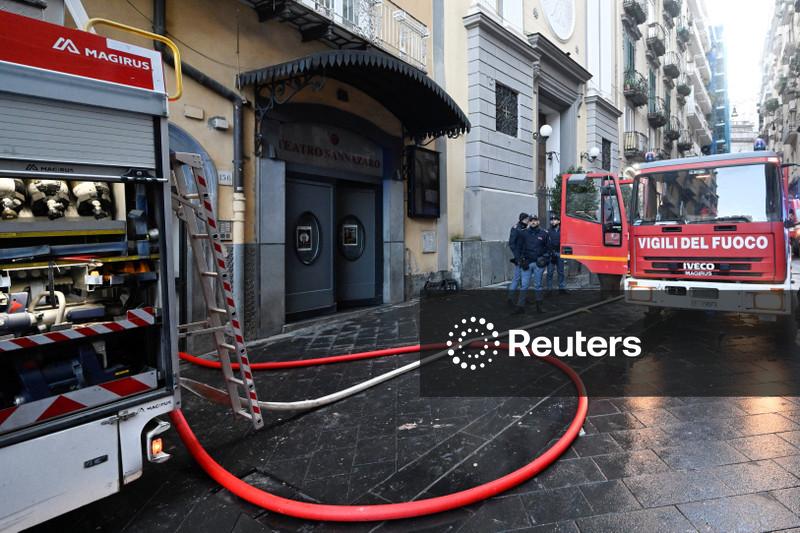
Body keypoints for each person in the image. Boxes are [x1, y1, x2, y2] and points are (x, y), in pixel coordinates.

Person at [512, 214, 549, 314]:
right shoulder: (523, 233)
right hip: (526, 264)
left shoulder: (544, 233)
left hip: (538, 264)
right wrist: (520, 260)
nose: (533, 222)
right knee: (524, 286)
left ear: (538, 222)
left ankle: (539, 307)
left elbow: (548, 248)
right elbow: (518, 248)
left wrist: (545, 260)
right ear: (529, 222)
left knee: (538, 285)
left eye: (535, 220)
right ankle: (520, 307)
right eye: (531, 220)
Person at [507, 212, 530, 306]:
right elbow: (512, 244)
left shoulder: (525, 228)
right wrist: (518, 258)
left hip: (525, 257)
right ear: (523, 219)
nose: (528, 220)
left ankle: (523, 298)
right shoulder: (516, 228)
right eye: (527, 219)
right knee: (517, 279)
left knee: (523, 279)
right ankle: (510, 298)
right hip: (520, 258)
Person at [546, 214, 567, 293]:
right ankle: (549, 290)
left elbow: (565, 241)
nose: (553, 221)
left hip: (560, 253)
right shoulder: (548, 231)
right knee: (550, 272)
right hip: (551, 254)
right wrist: (550, 253)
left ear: (559, 221)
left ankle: (561, 288)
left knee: (561, 272)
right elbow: (546, 243)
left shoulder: (563, 230)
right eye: (551, 219)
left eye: (555, 219)